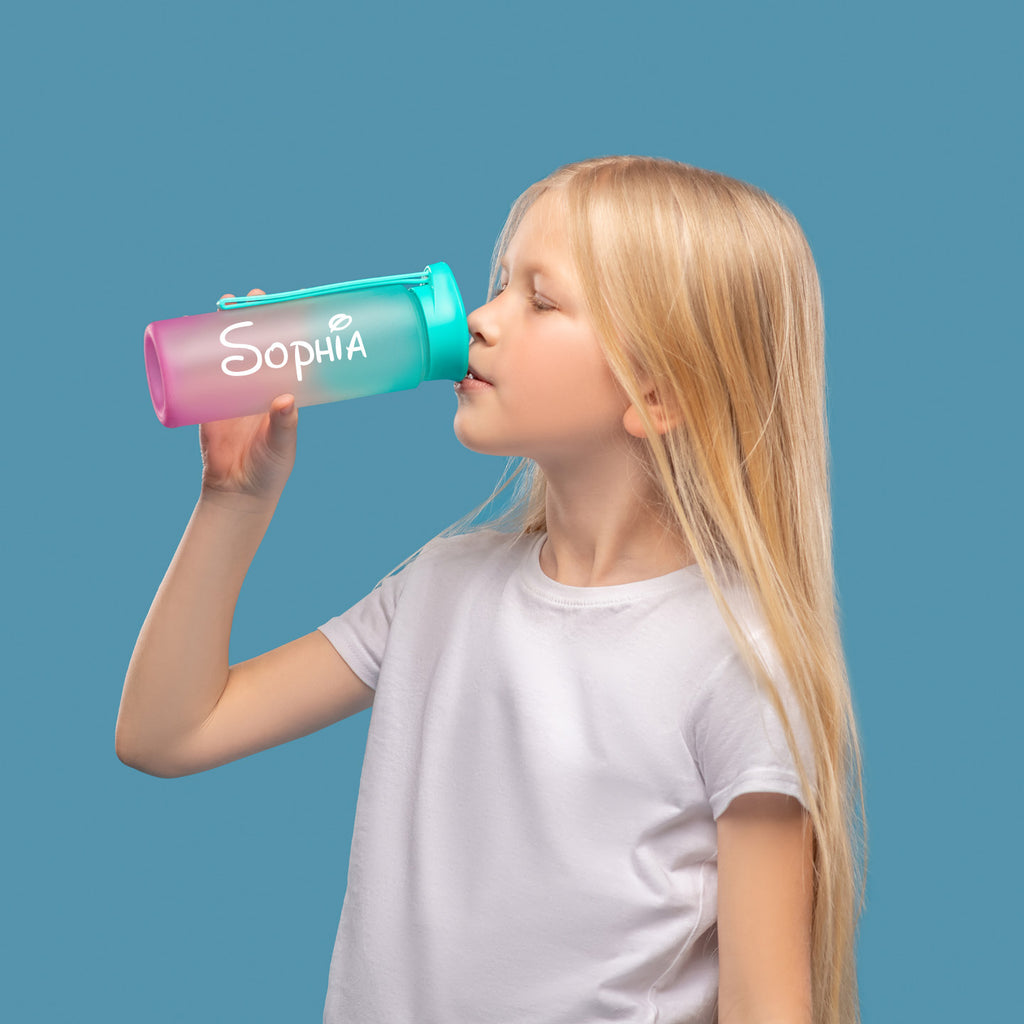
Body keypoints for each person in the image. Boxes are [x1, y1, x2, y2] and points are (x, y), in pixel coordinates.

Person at [117, 156, 863, 1024]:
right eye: (501, 285)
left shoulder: (737, 665)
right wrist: (232, 503)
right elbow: (167, 732)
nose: (481, 319)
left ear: (657, 391)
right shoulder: (442, 587)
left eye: (540, 300)